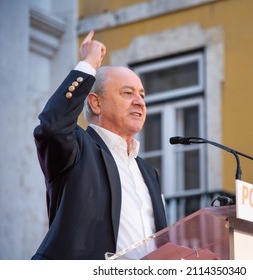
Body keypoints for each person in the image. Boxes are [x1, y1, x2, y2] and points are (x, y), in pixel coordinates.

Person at [31, 31, 167, 260]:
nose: (139, 101)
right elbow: (52, 126)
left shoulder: (148, 172)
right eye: (127, 93)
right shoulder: (76, 148)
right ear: (95, 103)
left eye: (142, 95)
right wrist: (89, 63)